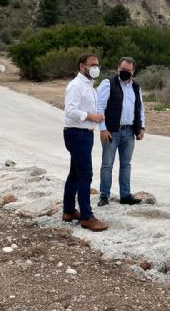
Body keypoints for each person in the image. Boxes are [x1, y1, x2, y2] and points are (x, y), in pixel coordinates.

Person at [62, 53, 108, 231]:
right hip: (76, 134)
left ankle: (69, 211)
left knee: (75, 173)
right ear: (82, 66)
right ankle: (87, 217)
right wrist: (91, 116)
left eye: (97, 64)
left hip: (85, 134)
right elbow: (70, 111)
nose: (96, 68)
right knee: (85, 175)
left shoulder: (89, 86)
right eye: (92, 65)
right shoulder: (76, 86)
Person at [97, 56, 145, 206]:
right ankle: (104, 196)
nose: (124, 72)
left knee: (126, 164)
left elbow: (140, 108)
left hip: (129, 132)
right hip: (112, 131)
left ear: (133, 71)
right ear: (118, 68)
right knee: (107, 165)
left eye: (128, 70)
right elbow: (99, 107)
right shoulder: (108, 83)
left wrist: (141, 127)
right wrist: (102, 129)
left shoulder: (136, 87)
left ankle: (125, 195)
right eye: (122, 69)